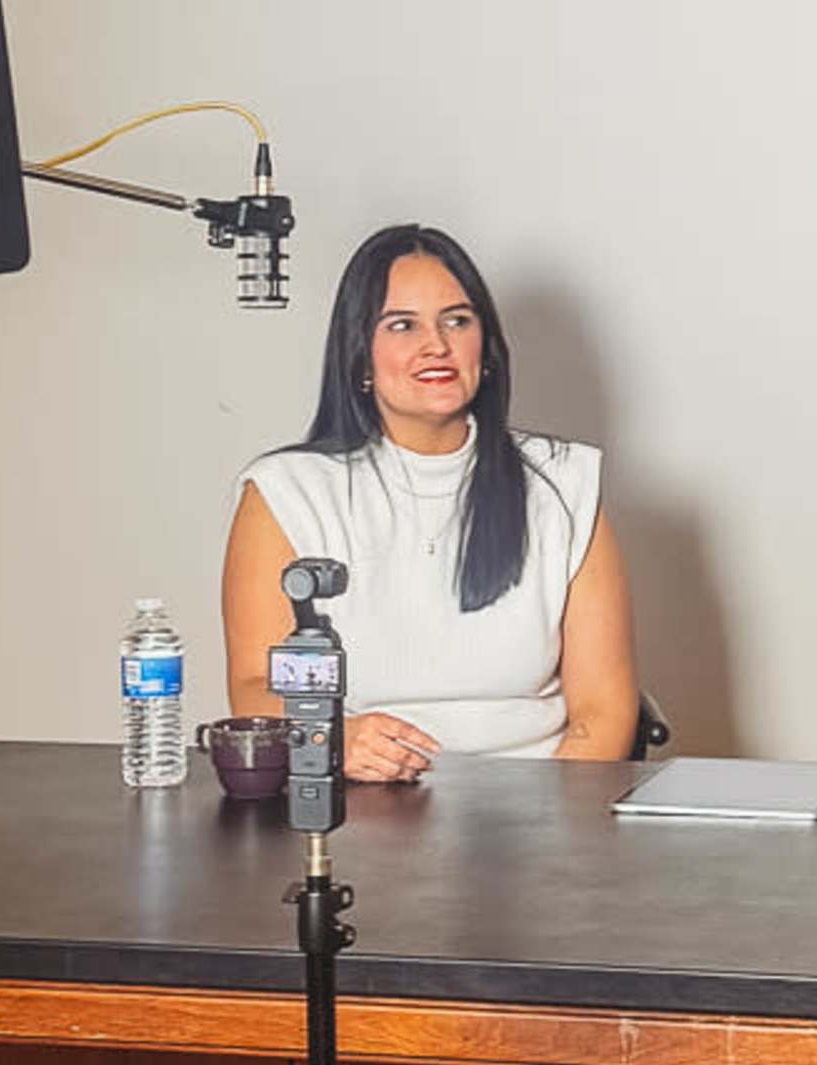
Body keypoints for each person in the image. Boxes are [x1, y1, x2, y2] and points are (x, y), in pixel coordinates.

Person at [223, 222, 638, 778]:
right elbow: (254, 688)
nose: (436, 346)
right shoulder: (287, 491)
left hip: (539, 805)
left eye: (456, 321)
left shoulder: (565, 483)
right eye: (402, 325)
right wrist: (337, 740)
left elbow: (604, 714)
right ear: (360, 355)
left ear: (484, 348)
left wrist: (545, 827)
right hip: (364, 808)